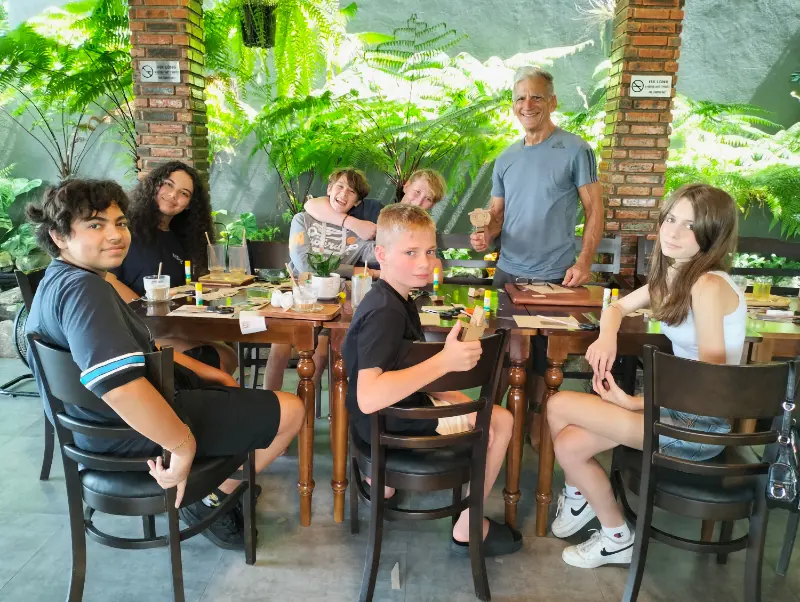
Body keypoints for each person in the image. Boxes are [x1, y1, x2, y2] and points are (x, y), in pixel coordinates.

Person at [25, 179, 305, 550]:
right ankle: (212, 497)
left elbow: (135, 354)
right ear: (59, 236)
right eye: (95, 224)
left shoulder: (59, 280)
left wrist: (201, 370)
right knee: (292, 409)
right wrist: (183, 444)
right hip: (132, 434)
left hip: (95, 430)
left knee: (220, 378)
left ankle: (215, 477)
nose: (115, 234)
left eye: (120, 223)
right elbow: (121, 389)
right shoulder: (86, 290)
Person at [545, 184, 744, 569]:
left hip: (698, 426)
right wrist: (606, 338)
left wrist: (635, 401)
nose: (672, 232)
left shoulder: (708, 284)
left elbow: (711, 379)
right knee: (569, 445)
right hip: (680, 412)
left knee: (559, 403)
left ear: (712, 234)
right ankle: (604, 520)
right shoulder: (679, 277)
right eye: (671, 219)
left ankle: (601, 517)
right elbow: (616, 307)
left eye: (689, 225)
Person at [342, 203, 522, 555]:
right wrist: (444, 361)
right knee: (500, 420)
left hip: (377, 420)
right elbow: (369, 395)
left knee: (463, 400)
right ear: (381, 254)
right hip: (388, 422)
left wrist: (448, 388)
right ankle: (468, 526)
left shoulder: (394, 297)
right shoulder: (386, 314)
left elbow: (394, 369)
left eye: (429, 251)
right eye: (410, 252)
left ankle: (380, 483)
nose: (425, 262)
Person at [469, 65, 604, 441]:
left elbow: (596, 210)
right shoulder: (505, 159)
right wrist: (485, 236)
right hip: (507, 275)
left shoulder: (576, 149)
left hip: (553, 277)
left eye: (536, 96)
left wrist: (584, 262)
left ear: (553, 101)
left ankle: (538, 438)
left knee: (545, 367)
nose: (527, 104)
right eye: (520, 98)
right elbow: (496, 217)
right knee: (497, 358)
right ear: (513, 105)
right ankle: (493, 433)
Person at [105, 161, 238, 374]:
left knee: (227, 351)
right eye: (168, 184)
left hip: (169, 325)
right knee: (221, 359)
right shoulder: (126, 230)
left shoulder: (179, 238)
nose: (173, 195)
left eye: (183, 193)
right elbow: (107, 279)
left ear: (190, 204)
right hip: (135, 331)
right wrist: (141, 310)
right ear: (154, 185)